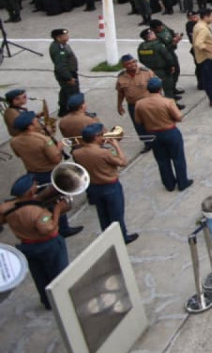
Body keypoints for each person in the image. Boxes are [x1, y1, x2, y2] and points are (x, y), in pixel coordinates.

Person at [9, 110, 84, 237]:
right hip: (49, 172)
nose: (38, 122)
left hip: (32, 173)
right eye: (35, 121)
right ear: (30, 127)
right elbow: (55, 159)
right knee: (58, 199)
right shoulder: (43, 140)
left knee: (43, 200)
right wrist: (59, 148)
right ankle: (63, 228)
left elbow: (18, 154)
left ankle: (49, 222)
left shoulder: (14, 141)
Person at [2, 174, 71, 309]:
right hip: (48, 245)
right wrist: (57, 210)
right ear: (30, 192)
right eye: (35, 186)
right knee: (58, 272)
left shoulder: (7, 208)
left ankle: (47, 301)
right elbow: (48, 228)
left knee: (39, 275)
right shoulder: (38, 212)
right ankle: (63, 301)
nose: (37, 187)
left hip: (27, 246)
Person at [72, 123, 139, 243]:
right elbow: (123, 162)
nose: (103, 136)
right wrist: (116, 145)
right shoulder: (103, 152)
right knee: (116, 214)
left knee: (102, 214)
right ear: (95, 137)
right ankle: (122, 237)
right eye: (101, 135)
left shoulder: (77, 153)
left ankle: (108, 237)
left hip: (93, 187)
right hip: (110, 186)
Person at [135, 77, 192, 191]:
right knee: (178, 158)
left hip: (153, 135)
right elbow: (179, 117)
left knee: (162, 160)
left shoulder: (139, 104)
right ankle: (182, 182)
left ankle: (169, 184)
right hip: (169, 131)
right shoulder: (167, 102)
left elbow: (138, 121)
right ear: (160, 89)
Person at [115, 53, 156, 147]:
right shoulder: (121, 77)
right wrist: (119, 105)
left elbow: (156, 87)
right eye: (129, 63)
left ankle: (157, 141)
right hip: (133, 105)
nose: (133, 64)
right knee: (139, 126)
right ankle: (147, 144)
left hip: (148, 103)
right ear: (124, 66)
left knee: (152, 123)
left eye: (134, 62)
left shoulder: (146, 72)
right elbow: (120, 93)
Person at [49, 27, 79, 117]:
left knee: (65, 92)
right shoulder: (59, 49)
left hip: (70, 73)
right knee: (73, 94)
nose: (67, 36)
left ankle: (63, 110)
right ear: (58, 38)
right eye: (64, 35)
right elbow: (61, 66)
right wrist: (69, 77)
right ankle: (76, 112)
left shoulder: (63, 45)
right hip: (67, 75)